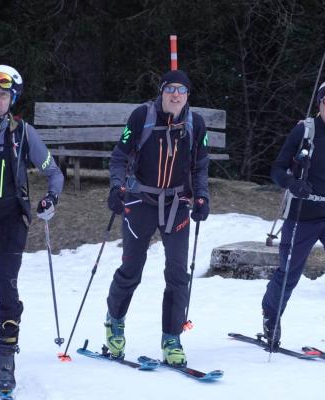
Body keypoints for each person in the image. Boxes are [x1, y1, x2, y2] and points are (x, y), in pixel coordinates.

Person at [0, 65, 64, 393]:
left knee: (7, 292)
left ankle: (5, 362)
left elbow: (54, 173)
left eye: (2, 95)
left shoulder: (24, 134)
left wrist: (50, 199)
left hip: (10, 222)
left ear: (12, 99)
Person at [105, 69, 210, 366]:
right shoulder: (142, 117)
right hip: (141, 201)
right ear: (162, 92)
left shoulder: (195, 124)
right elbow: (119, 157)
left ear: (188, 95)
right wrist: (116, 187)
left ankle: (172, 338)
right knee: (131, 270)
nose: (175, 94)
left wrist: (202, 196)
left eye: (181, 90)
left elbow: (201, 166)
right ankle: (114, 321)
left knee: (178, 274)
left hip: (177, 203)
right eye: (170, 89)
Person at [262, 79, 325, 362]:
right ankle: (271, 317)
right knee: (289, 271)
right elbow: (277, 169)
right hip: (301, 215)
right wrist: (292, 183)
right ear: (320, 104)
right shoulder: (303, 131)